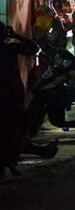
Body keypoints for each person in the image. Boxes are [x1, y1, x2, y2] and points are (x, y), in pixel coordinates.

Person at [1, 22, 39, 176]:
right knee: (15, 128)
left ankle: (6, 163)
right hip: (11, 95)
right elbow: (33, 48)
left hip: (8, 95)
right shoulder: (8, 48)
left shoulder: (8, 48)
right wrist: (16, 35)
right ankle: (11, 160)